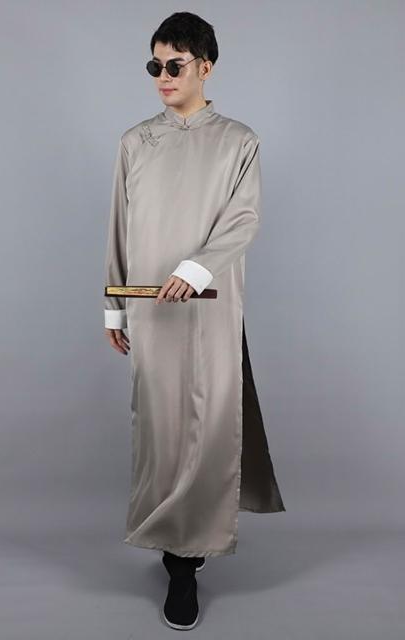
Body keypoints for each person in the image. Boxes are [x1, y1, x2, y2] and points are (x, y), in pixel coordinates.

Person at [103, 11, 285, 630]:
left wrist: (198, 269)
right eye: (154, 65)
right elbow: (119, 227)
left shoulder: (238, 142)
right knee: (160, 428)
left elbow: (243, 219)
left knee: (208, 427)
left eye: (174, 65)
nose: (162, 76)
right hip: (150, 310)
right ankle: (172, 544)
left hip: (210, 309)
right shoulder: (135, 142)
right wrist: (114, 305)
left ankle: (186, 562)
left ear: (205, 66)